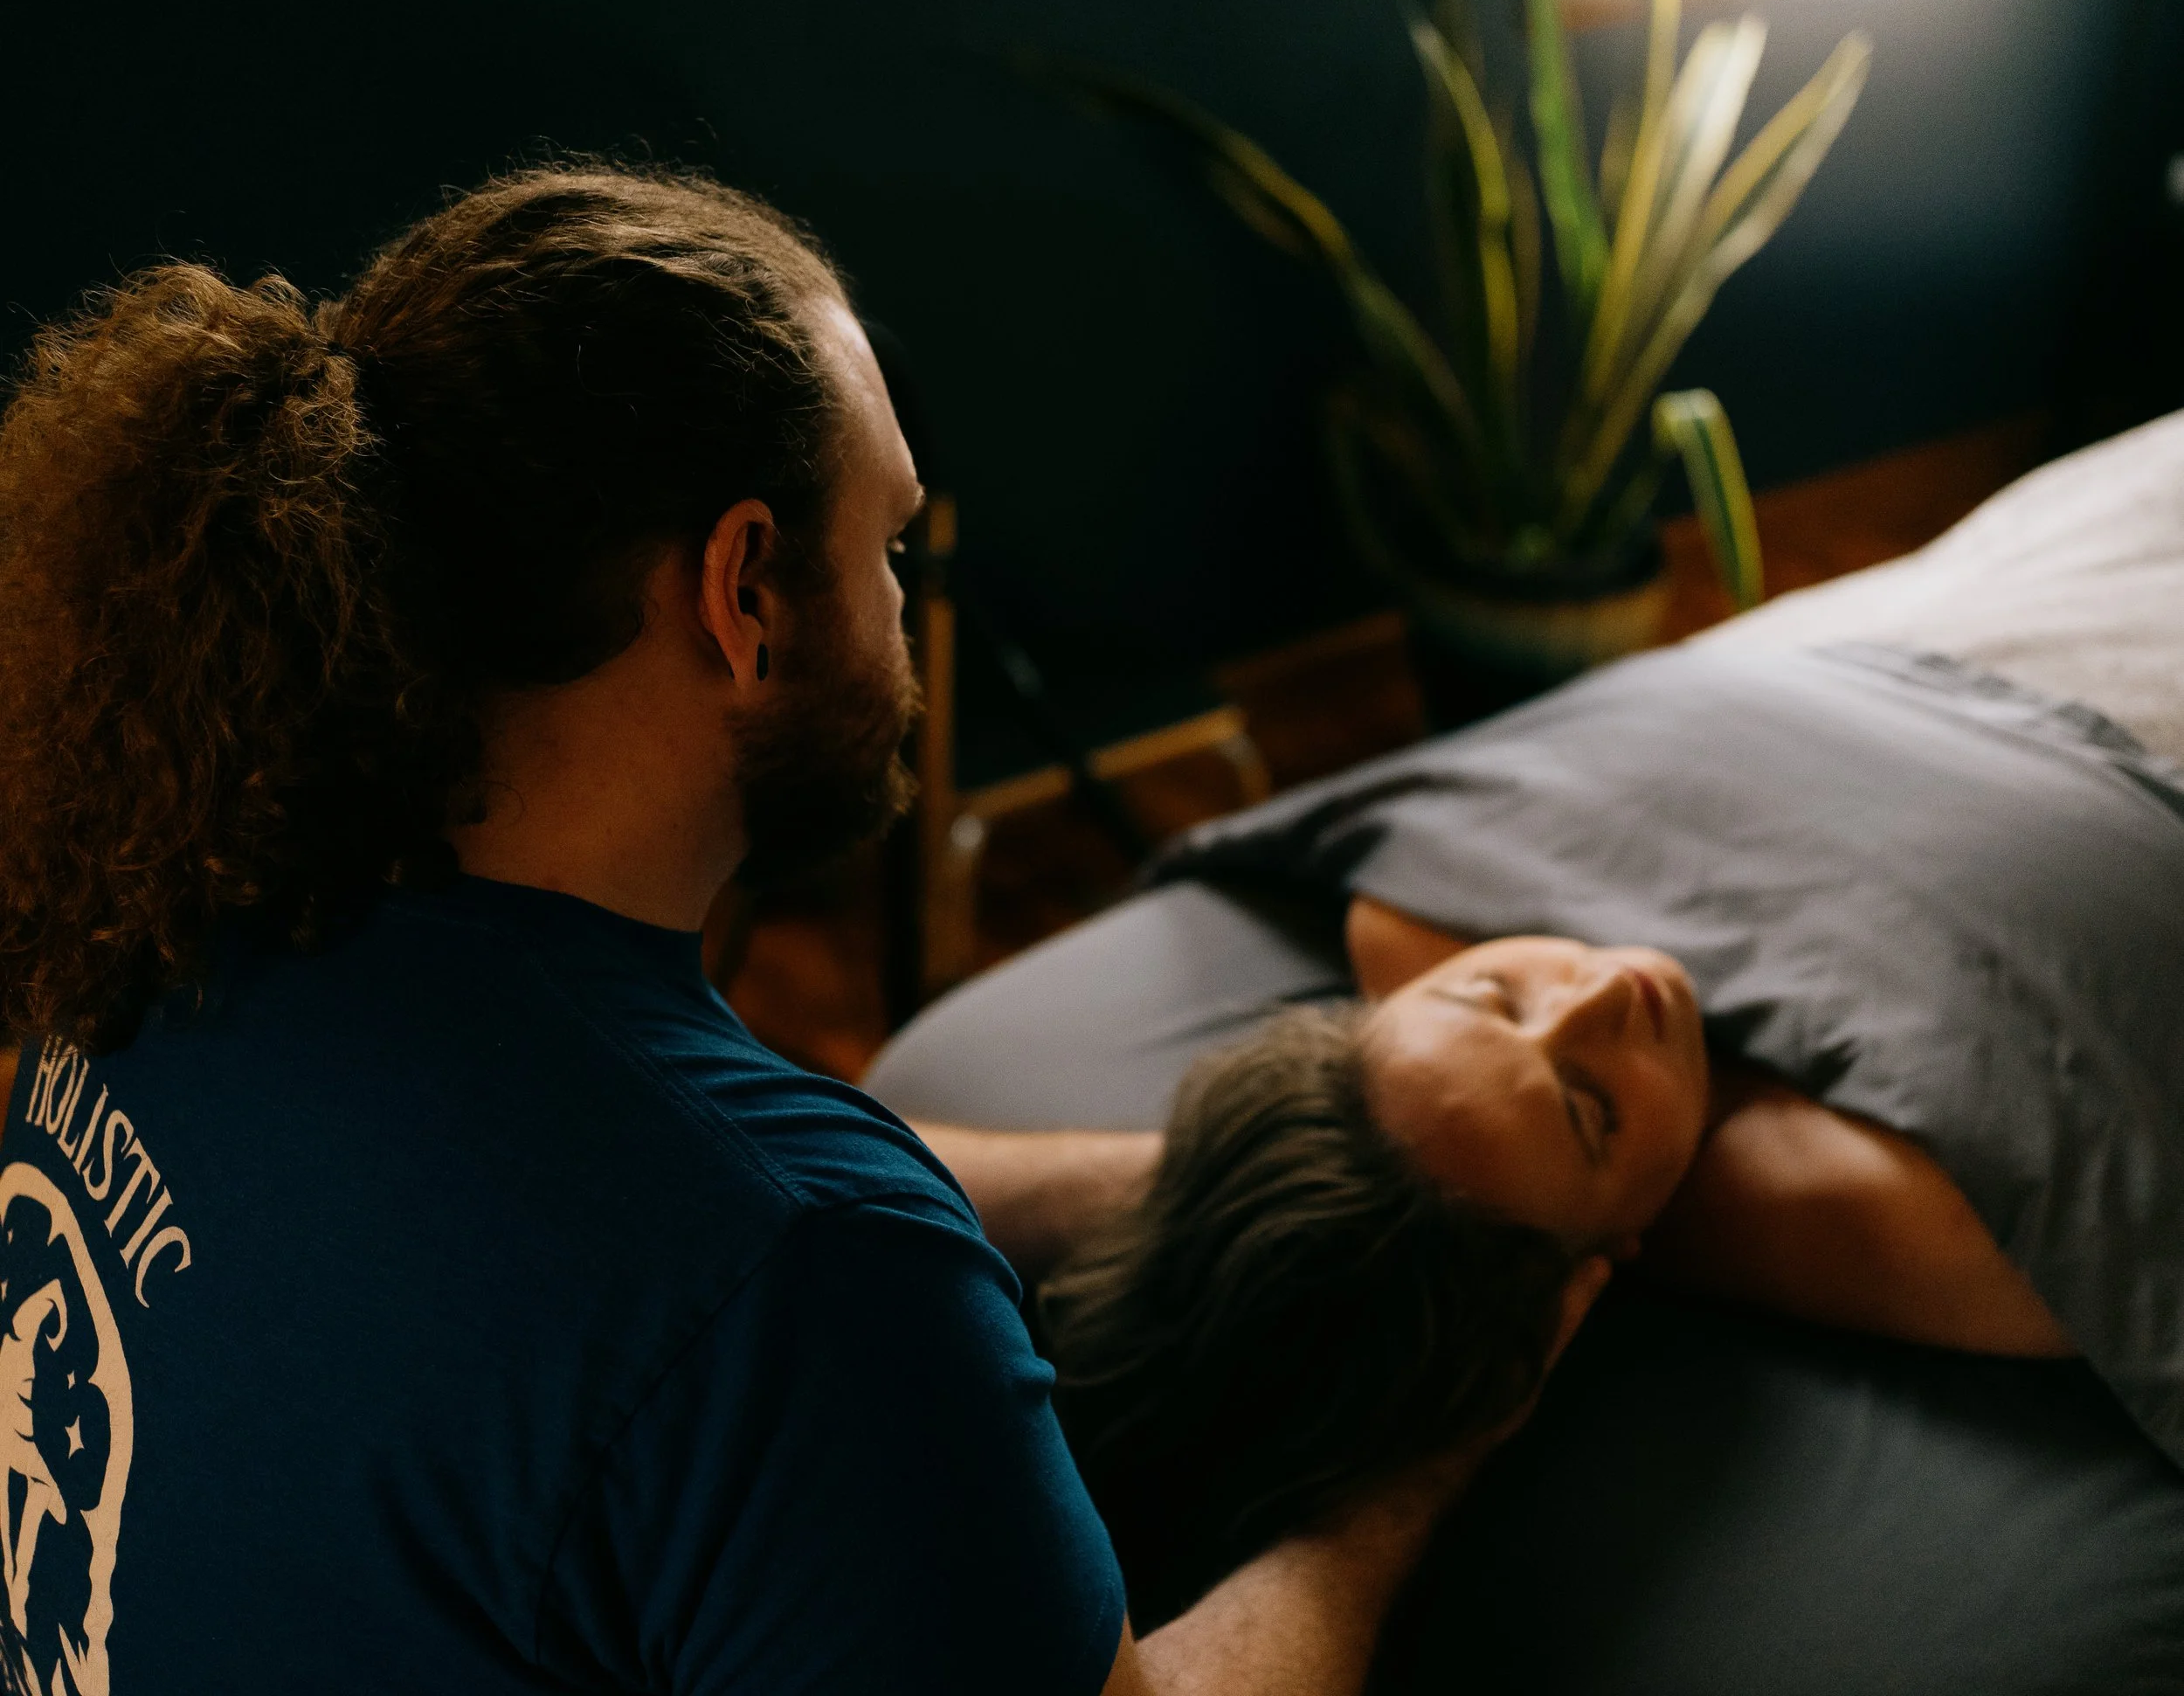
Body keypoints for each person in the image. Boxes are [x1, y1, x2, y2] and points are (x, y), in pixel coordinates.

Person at [0, 163, 1595, 1694]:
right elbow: (733, 1258)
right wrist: (1408, 1476)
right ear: (745, 591)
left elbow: (633, 1258)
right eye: (888, 547)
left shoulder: (194, 897)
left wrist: (1188, 1171)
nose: (904, 607)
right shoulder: (802, 1270)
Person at [1015, 411, 2184, 1625]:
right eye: (1589, 1110)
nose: (1604, 992)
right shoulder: (1921, 1238)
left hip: (1885, 665)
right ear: (1595, 1274)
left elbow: (1389, 919)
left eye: (1496, 992)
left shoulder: (1400, 951)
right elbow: (2013, 1229)